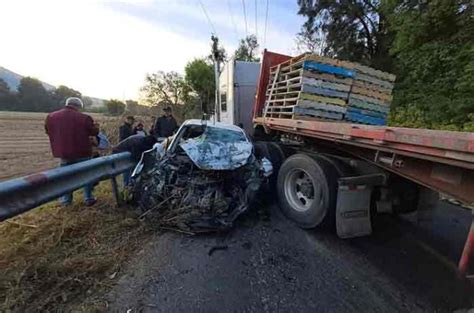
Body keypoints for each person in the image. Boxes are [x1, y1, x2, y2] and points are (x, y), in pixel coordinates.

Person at [45, 97, 99, 206]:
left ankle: (66, 201)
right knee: (87, 175)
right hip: (82, 152)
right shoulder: (84, 118)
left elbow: (48, 131)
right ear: (78, 106)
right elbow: (93, 132)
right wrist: (97, 126)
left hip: (64, 153)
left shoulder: (51, 116)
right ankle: (88, 198)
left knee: (66, 177)